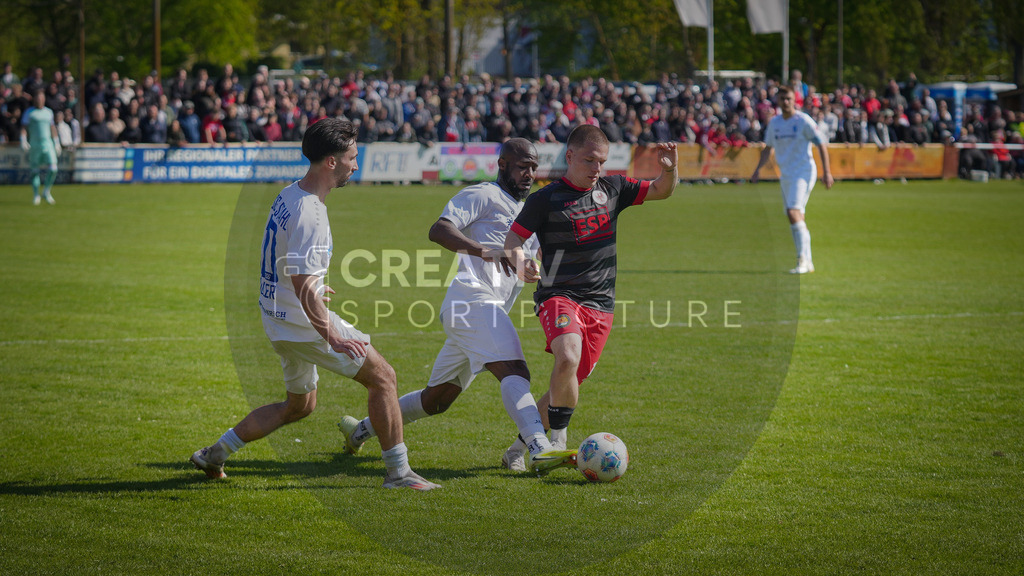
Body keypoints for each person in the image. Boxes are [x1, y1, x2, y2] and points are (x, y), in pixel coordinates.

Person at [190, 118, 439, 491]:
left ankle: (214, 454)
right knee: (383, 377)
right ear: (332, 162)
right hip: (302, 323)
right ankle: (399, 474)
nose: (356, 165)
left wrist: (313, 285)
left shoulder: (289, 194)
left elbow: (289, 264)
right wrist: (333, 336)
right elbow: (303, 284)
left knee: (299, 406)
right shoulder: (312, 214)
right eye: (352, 157)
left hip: (277, 318)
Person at [338, 139, 575, 475]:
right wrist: (485, 251)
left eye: (534, 168)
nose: (529, 174)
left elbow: (529, 256)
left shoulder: (528, 212)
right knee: (515, 370)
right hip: (471, 300)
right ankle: (539, 447)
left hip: (480, 314)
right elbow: (440, 229)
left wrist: (535, 266)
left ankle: (359, 430)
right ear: (503, 164)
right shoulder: (484, 194)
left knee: (436, 400)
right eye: (522, 166)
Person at [502, 125, 678, 452]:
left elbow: (661, 190)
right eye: (589, 160)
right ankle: (557, 443)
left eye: (602, 162)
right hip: (558, 295)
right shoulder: (544, 199)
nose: (597, 168)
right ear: (570, 157)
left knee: (569, 379)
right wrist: (520, 262)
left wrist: (669, 170)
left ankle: (518, 449)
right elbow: (513, 240)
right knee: (567, 357)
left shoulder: (614, 188)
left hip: (601, 305)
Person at [751, 85, 834, 274]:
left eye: (789, 98)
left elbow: (821, 144)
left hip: (803, 172)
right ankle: (808, 261)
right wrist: (757, 170)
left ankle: (802, 260)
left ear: (794, 100)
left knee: (792, 212)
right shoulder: (775, 123)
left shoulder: (803, 121)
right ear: (778, 101)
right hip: (786, 175)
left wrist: (827, 172)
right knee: (797, 216)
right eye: (782, 99)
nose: (786, 102)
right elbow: (768, 148)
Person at [20, 90, 61, 205]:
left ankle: (46, 191)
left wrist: (57, 142)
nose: (39, 100)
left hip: (48, 144)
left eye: (41, 98)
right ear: (34, 99)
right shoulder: (29, 112)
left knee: (53, 168)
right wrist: (23, 139)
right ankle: (36, 195)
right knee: (34, 171)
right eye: (37, 98)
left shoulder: (48, 112)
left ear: (44, 99)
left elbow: (52, 128)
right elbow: (24, 127)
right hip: (35, 145)